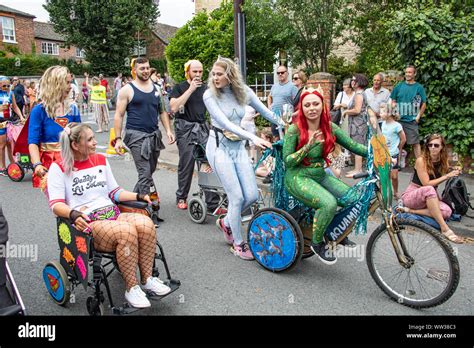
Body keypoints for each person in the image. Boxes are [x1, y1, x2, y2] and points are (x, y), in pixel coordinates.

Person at [47, 123, 171, 308]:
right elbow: (56, 205)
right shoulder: (58, 168)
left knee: (145, 224)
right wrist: (72, 214)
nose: (95, 142)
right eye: (89, 139)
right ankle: (132, 288)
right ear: (75, 145)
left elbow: (114, 192)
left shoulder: (100, 160)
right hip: (88, 222)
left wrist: (139, 196)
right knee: (126, 231)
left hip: (112, 213)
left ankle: (147, 279)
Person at [203, 56, 283, 260]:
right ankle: (239, 244)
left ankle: (227, 223)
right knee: (236, 197)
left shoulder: (244, 92)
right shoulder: (209, 96)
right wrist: (253, 138)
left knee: (252, 196)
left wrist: (288, 123)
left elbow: (266, 112)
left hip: (237, 147)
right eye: (213, 73)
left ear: (230, 75)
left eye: (219, 74)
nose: (214, 77)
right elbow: (226, 124)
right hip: (219, 146)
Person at [283, 89, 368, 265]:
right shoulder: (294, 130)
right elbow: (288, 161)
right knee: (328, 203)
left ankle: (337, 231)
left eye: (316, 104)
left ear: (323, 106)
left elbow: (353, 146)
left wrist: (380, 153)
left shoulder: (330, 127)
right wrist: (308, 146)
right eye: (307, 105)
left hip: (319, 174)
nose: (312, 108)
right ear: (302, 108)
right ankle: (317, 243)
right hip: (297, 176)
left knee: (355, 198)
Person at [113, 57, 175, 196]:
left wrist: (169, 131)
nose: (146, 71)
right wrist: (117, 139)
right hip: (136, 136)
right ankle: (146, 209)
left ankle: (133, 200)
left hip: (154, 135)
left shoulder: (157, 89)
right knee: (145, 173)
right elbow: (119, 115)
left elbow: (162, 111)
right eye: (142, 68)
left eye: (147, 68)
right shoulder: (126, 90)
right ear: (134, 70)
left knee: (149, 171)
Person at [169, 59, 220, 212]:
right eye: (194, 71)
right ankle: (182, 197)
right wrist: (190, 90)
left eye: (200, 71)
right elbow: (173, 107)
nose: (198, 75)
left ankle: (212, 202)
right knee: (187, 163)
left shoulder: (206, 89)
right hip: (185, 128)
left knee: (207, 162)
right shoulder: (179, 87)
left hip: (202, 128)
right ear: (188, 72)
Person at [398, 134, 462, 243]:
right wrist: (447, 176)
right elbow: (427, 183)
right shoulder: (421, 160)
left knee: (447, 211)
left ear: (442, 147)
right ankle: (445, 229)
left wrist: (455, 169)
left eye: (436, 145)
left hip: (429, 197)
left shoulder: (443, 160)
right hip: (413, 195)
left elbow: (447, 169)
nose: (432, 147)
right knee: (429, 188)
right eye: (430, 145)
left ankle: (411, 211)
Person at [28, 66, 81, 190]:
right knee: (58, 203)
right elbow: (33, 141)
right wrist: (37, 164)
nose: (70, 86)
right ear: (55, 84)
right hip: (50, 163)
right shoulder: (38, 111)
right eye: (67, 83)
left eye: (71, 82)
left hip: (72, 160)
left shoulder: (73, 109)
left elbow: (80, 137)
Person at [391, 65, 427, 159]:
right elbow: (393, 101)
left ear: (414, 74)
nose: (407, 74)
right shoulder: (399, 86)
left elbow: (423, 103)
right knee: (397, 143)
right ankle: (396, 163)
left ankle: (419, 165)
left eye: (410, 72)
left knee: (415, 143)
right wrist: (395, 112)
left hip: (411, 120)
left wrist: (418, 116)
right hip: (398, 120)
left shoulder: (419, 87)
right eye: (406, 72)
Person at [342, 74, 369, 177]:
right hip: (358, 123)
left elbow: (357, 110)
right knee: (357, 145)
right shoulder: (360, 93)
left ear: (359, 82)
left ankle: (358, 169)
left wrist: (346, 112)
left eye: (354, 80)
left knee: (357, 146)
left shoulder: (359, 94)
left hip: (358, 124)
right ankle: (357, 168)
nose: (352, 82)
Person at [380, 104, 406, 198]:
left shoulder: (397, 125)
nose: (380, 114)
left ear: (389, 113)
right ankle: (383, 193)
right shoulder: (382, 124)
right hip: (383, 154)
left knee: (394, 176)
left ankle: (395, 191)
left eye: (382, 112)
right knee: (384, 175)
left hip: (393, 154)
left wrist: (399, 149)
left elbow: (403, 139)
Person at [0, 76, 24, 176]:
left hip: (9, 120)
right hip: (0, 121)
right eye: (4, 85)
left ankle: (13, 165)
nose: (6, 87)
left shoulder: (11, 93)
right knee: (2, 145)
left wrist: (21, 116)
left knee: (10, 143)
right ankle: (2, 167)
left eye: (8, 85)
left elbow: (14, 106)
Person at [267, 65, 298, 140]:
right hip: (275, 118)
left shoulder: (292, 87)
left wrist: (293, 115)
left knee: (287, 141)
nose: (280, 74)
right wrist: (269, 106)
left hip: (287, 120)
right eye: (278, 73)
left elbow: (297, 102)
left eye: (282, 72)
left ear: (287, 73)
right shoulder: (274, 86)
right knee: (276, 139)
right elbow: (269, 96)